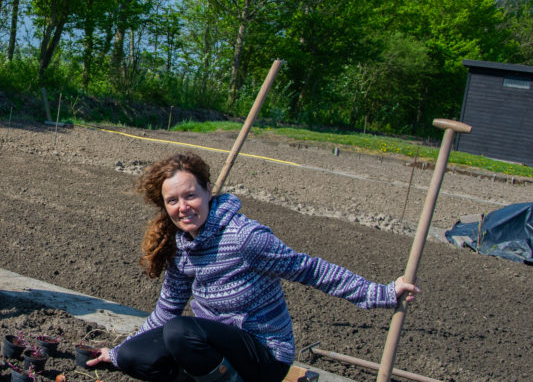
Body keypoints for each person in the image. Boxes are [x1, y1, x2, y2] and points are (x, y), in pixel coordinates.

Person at [86, 153, 419, 382]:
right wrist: (115, 353)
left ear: (207, 191)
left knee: (182, 333)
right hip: (215, 351)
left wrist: (381, 292)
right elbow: (166, 311)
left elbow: (310, 269)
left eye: (190, 196)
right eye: (173, 200)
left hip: (264, 354)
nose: (183, 207)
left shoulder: (245, 237)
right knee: (136, 357)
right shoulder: (182, 246)